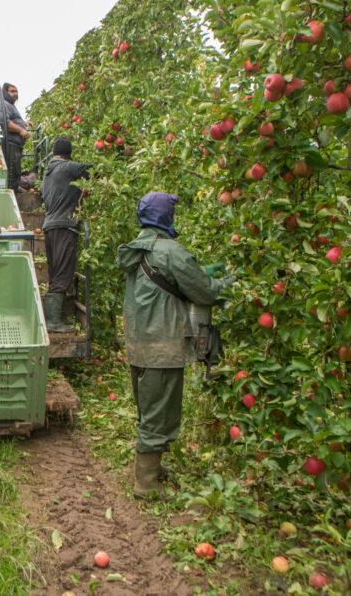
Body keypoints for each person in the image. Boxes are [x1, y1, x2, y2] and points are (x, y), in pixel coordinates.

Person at [116, 192, 236, 498]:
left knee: (149, 408)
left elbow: (172, 280)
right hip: (163, 345)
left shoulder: (137, 249)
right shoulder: (171, 251)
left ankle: (152, 468)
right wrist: (230, 281)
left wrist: (200, 271)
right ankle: (145, 484)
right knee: (160, 412)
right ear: (166, 217)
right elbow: (205, 293)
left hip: (139, 343)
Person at [40, 137, 90, 333]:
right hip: (63, 227)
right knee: (63, 273)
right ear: (68, 154)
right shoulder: (66, 167)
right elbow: (90, 169)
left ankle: (56, 317)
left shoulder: (48, 173)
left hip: (50, 226)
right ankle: (53, 321)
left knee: (55, 272)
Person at [0, 82, 30, 192]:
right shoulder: (3, 104)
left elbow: (14, 120)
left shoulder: (10, 105)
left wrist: (24, 123)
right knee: (12, 171)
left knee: (16, 171)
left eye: (16, 91)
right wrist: (21, 130)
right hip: (11, 144)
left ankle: (15, 189)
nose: (15, 94)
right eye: (12, 91)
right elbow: (4, 122)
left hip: (16, 144)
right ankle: (12, 193)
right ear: (5, 92)